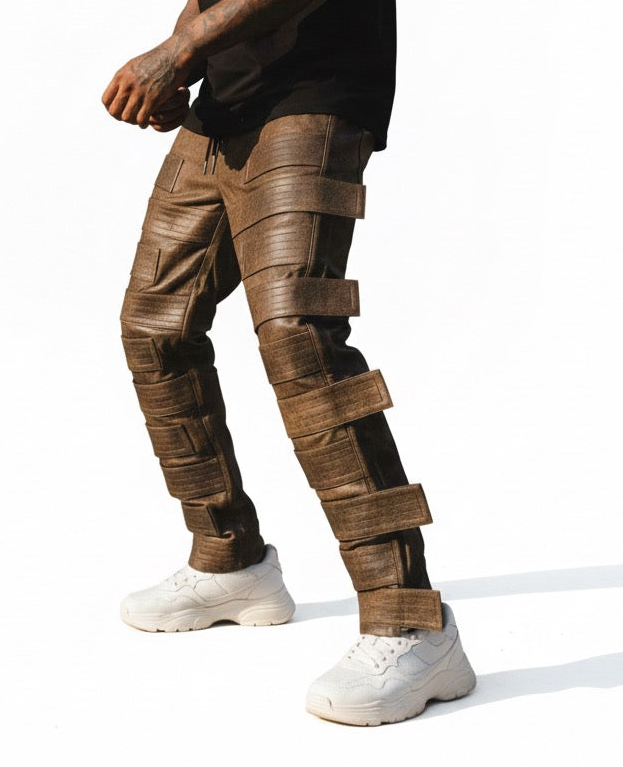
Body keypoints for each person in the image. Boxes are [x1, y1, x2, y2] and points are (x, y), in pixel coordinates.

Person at [102, 0, 476, 726]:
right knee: (155, 328)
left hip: (316, 94)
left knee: (298, 334)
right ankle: (230, 558)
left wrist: (176, 53)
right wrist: (188, 64)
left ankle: (411, 623)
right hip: (226, 104)